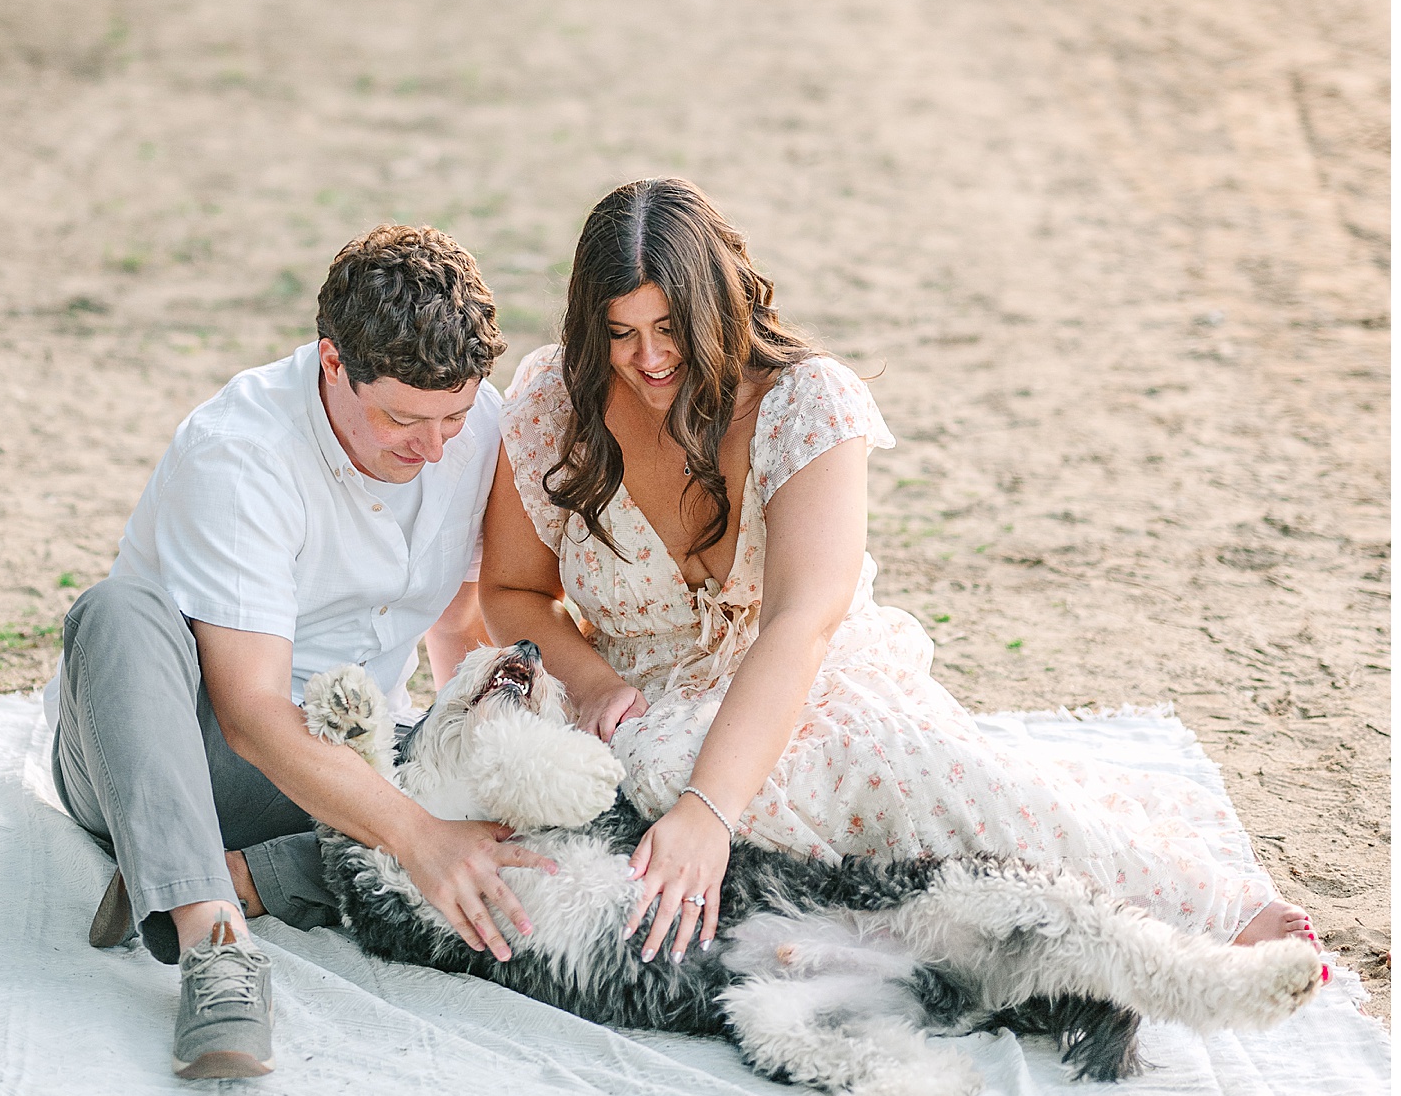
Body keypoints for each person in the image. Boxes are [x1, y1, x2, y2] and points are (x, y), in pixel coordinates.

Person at [481, 177, 1319, 970]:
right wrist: (588, 682)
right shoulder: (559, 401)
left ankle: (1201, 908)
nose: (649, 358)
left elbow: (802, 623)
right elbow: (513, 591)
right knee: (648, 774)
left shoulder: (808, 403)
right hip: (647, 700)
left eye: (670, 329)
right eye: (621, 333)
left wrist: (709, 808)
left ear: (717, 308)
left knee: (892, 771)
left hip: (811, 680)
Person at [48, 223, 554, 1081]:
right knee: (117, 611)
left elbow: (458, 622)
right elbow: (250, 714)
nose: (433, 449)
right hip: (174, 751)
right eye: (401, 419)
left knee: (543, 797)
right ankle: (215, 940)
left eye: (454, 418)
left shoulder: (476, 432)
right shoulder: (241, 452)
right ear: (331, 363)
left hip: (340, 762)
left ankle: (237, 874)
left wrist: (464, 753)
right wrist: (415, 834)